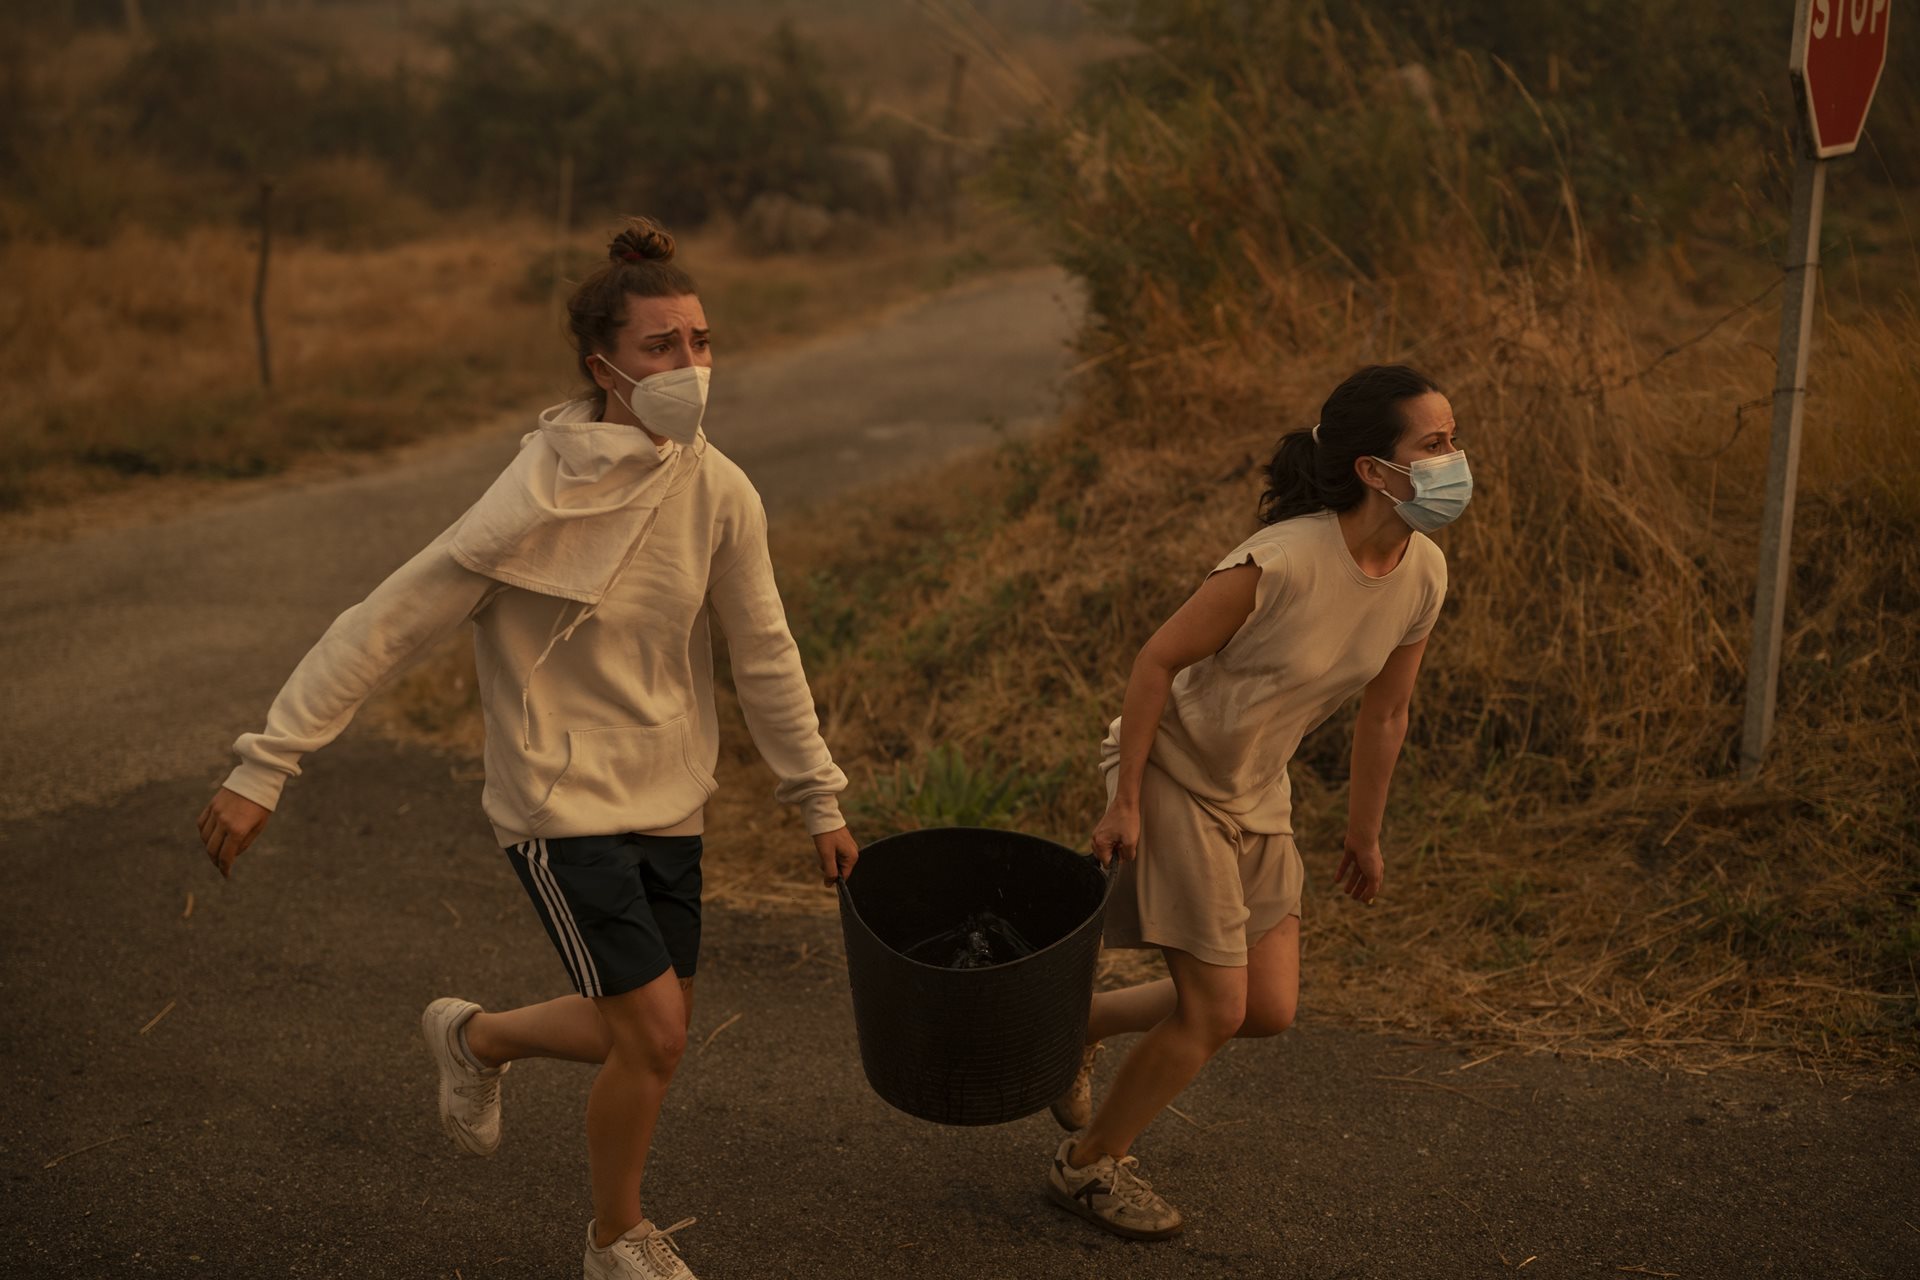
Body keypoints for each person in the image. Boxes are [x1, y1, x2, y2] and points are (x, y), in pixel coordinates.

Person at [194, 217, 859, 1280]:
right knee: (657, 1035)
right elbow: (385, 622)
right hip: (560, 802)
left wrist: (816, 797)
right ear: (604, 366)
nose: (690, 364)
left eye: (700, 340)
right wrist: (265, 761)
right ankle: (613, 1236)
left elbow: (765, 649)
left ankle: (477, 1038)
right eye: (661, 346)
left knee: (639, 1030)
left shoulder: (719, 488)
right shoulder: (534, 498)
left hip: (670, 794)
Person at [1043, 364, 1468, 1240]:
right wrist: (1124, 800)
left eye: (1453, 440)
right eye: (1432, 444)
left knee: (1267, 1009)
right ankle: (1087, 1169)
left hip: (1254, 792)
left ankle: (1072, 1024)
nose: (1453, 459)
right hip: (1173, 774)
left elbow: (1388, 711)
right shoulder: (1279, 561)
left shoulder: (1423, 572)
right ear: (1372, 470)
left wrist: (1365, 834)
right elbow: (1155, 662)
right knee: (1215, 1008)